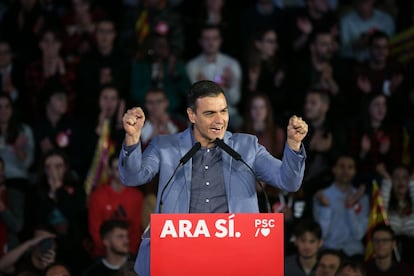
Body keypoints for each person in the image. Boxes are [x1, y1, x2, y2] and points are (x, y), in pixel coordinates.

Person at [119, 80, 308, 275]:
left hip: (235, 255)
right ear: (192, 115)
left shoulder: (247, 146)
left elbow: (288, 181)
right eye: (210, 113)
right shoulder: (165, 146)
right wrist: (132, 140)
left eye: (223, 111)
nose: (220, 120)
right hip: (177, 254)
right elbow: (132, 177)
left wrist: (293, 146)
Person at [313, 154, 369, 260]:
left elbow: (359, 235)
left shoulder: (362, 198)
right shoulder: (321, 196)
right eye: (341, 166)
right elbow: (321, 234)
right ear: (334, 169)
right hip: (328, 251)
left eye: (350, 167)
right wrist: (326, 207)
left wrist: (350, 208)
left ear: (355, 171)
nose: (345, 171)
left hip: (354, 253)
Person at [88, 154, 144, 258]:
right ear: (110, 171)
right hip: (103, 255)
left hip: (129, 254)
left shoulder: (136, 196)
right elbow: (94, 229)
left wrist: (130, 252)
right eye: (117, 168)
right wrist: (107, 253)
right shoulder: (97, 196)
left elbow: (136, 228)